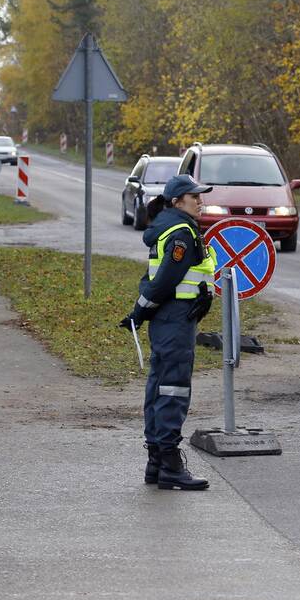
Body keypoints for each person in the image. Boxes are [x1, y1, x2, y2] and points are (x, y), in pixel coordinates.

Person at [120, 174, 217, 491]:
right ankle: (171, 465)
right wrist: (141, 309)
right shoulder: (181, 233)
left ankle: (157, 463)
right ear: (177, 201)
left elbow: (169, 277)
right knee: (173, 389)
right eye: (195, 197)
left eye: (201, 196)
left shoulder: (174, 226)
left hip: (171, 317)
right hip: (175, 320)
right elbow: (165, 280)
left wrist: (143, 309)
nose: (201, 201)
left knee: (160, 386)